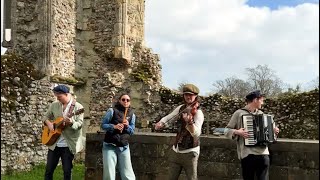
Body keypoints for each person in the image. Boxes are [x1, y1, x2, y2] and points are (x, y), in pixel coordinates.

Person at [224, 90, 280, 180]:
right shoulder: (239, 113)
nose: (263, 102)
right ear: (255, 100)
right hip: (248, 155)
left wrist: (274, 131)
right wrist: (237, 132)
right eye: (261, 100)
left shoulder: (263, 115)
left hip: (263, 154)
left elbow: (271, 134)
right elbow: (226, 130)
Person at [155, 84, 204, 180]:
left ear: (196, 96)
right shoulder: (181, 108)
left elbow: (197, 133)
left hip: (191, 152)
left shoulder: (198, 113)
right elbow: (169, 117)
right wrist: (161, 123)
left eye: (191, 95)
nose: (188, 97)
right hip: (176, 150)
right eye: (186, 94)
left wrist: (190, 123)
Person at [43, 84, 85, 180]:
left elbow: (80, 124)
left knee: (67, 171)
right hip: (54, 143)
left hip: (68, 144)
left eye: (59, 97)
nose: (58, 99)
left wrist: (71, 122)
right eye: (56, 97)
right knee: (49, 170)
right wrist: (49, 124)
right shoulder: (54, 105)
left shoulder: (78, 107)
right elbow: (45, 117)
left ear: (67, 94)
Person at [101, 94, 136, 180]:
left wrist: (127, 126)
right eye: (123, 99)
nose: (125, 102)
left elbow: (132, 131)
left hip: (124, 146)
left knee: (128, 174)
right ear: (119, 101)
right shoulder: (112, 111)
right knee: (109, 174)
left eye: (128, 100)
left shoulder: (132, 115)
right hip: (110, 145)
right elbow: (103, 125)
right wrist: (114, 126)